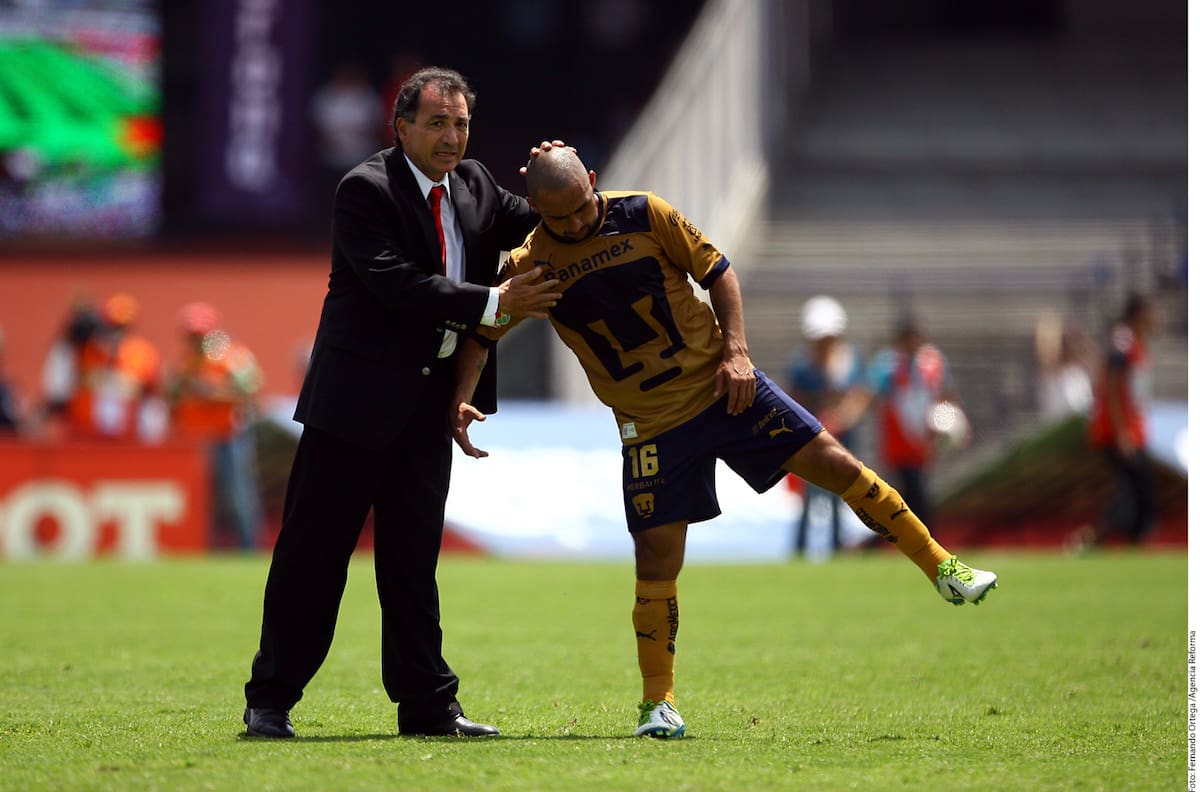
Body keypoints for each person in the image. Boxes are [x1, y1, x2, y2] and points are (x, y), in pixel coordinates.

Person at [480, 147, 997, 739]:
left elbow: (719, 273)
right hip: (651, 425)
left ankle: (942, 566)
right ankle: (658, 705)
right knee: (656, 561)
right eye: (558, 217)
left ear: (593, 181)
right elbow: (485, 326)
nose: (574, 224)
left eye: (580, 207)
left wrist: (737, 351)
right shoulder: (533, 263)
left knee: (835, 462)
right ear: (537, 211)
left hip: (725, 388)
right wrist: (464, 392)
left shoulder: (646, 214)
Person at [240, 66, 561, 740]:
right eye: (437, 123)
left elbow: (545, 214)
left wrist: (571, 179)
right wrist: (497, 301)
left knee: (414, 561)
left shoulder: (475, 183)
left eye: (461, 124)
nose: (452, 137)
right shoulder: (365, 188)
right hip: (351, 406)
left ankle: (427, 706)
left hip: (426, 405)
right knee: (313, 556)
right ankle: (270, 699)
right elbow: (396, 284)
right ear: (402, 126)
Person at [167, 302, 265, 551]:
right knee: (203, 497)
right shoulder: (186, 362)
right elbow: (172, 395)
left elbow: (251, 388)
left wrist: (214, 391)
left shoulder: (229, 355)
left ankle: (248, 547)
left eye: (198, 335)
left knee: (238, 493)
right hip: (196, 439)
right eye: (191, 335)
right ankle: (207, 547)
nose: (195, 340)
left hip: (228, 435)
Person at [1074, 293, 1158, 548]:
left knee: (1136, 488)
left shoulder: (1136, 343)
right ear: (1138, 314)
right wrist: (1122, 431)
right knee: (1132, 490)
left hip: (1131, 430)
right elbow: (1112, 385)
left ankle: (1131, 538)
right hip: (1117, 432)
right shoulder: (1124, 341)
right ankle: (1094, 536)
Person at [863, 318, 962, 530]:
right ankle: (919, 535)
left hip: (924, 440)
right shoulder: (887, 366)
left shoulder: (933, 362)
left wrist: (948, 423)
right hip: (897, 441)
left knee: (915, 490)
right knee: (909, 491)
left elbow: (947, 395)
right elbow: (872, 395)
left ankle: (919, 536)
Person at [787, 295, 867, 557]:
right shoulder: (801, 365)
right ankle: (801, 549)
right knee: (809, 496)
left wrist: (842, 417)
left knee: (840, 494)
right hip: (812, 439)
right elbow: (795, 400)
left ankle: (837, 547)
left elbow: (859, 397)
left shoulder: (850, 359)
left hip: (842, 438)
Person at [62, 292, 165, 443]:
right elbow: (68, 377)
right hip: (87, 433)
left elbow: (150, 393)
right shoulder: (88, 351)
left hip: (128, 433)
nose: (116, 333)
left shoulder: (142, 353)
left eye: (121, 327)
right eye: (112, 326)